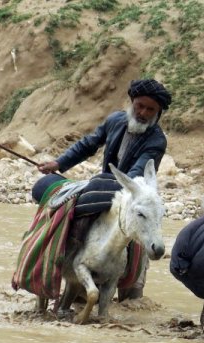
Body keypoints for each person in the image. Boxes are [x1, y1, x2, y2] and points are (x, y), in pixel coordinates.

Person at [33, 78, 172, 301]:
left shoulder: (156, 140)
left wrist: (106, 183)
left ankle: (131, 285)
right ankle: (65, 261)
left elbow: (136, 174)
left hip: (133, 193)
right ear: (132, 102)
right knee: (74, 215)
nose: (143, 112)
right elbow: (89, 144)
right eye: (140, 106)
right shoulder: (115, 120)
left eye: (150, 109)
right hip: (106, 186)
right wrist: (59, 164)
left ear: (158, 113)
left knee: (138, 234)